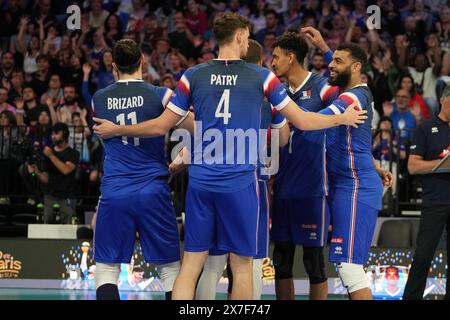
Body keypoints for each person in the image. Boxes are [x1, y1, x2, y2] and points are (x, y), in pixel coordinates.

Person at [93, 12, 367, 300]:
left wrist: (118, 128)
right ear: (238, 36)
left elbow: (162, 126)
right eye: (247, 35)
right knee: (242, 266)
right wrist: (341, 118)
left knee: (192, 265)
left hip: (200, 183)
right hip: (240, 184)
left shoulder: (192, 75)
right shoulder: (263, 77)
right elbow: (303, 121)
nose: (248, 40)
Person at [194, 39, 290, 300]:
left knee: (212, 263)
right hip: (251, 181)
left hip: (210, 176)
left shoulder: (209, 89)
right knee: (251, 262)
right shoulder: (265, 95)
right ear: (259, 64)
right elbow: (283, 139)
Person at [90, 39, 185, 300]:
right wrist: (184, 159)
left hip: (115, 191)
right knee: (170, 268)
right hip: (153, 189)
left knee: (107, 269)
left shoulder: (98, 99)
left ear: (113, 66)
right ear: (143, 61)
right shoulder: (161, 95)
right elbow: (199, 127)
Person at [319, 43, 393, 300]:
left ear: (357, 67)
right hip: (351, 184)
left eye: (337, 61)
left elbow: (311, 122)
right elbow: (358, 143)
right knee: (349, 267)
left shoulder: (350, 99)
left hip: (356, 187)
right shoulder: (355, 91)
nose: (331, 64)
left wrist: (279, 102)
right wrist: (322, 46)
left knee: (350, 269)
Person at [269, 29, 337, 300]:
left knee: (314, 263)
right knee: (281, 262)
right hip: (283, 189)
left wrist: (324, 47)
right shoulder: (277, 93)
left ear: (291, 57)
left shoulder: (321, 86)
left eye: (275, 57)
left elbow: (349, 88)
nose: (272, 63)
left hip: (312, 190)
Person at [403, 85, 450, 300]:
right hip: (435, 201)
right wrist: (442, 164)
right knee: (423, 256)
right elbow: (413, 166)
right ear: (443, 100)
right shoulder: (425, 128)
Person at [27, 122, 79, 224]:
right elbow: (46, 179)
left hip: (67, 196)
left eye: (56, 133)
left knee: (68, 227)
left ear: (64, 134)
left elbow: (66, 170)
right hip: (51, 196)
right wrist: (36, 172)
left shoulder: (73, 153)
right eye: (52, 134)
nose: (53, 136)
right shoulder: (49, 153)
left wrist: (51, 156)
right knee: (46, 226)